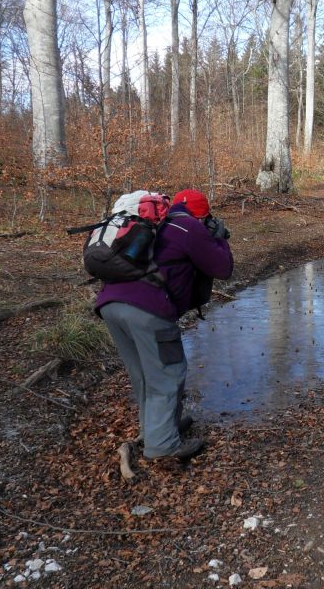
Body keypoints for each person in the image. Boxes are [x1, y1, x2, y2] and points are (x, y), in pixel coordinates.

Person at [96, 188, 233, 461]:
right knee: (168, 374)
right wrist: (220, 239)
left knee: (145, 374)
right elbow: (223, 268)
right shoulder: (187, 226)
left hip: (110, 306)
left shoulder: (150, 224)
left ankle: (157, 429)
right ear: (200, 214)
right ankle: (162, 446)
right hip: (148, 310)